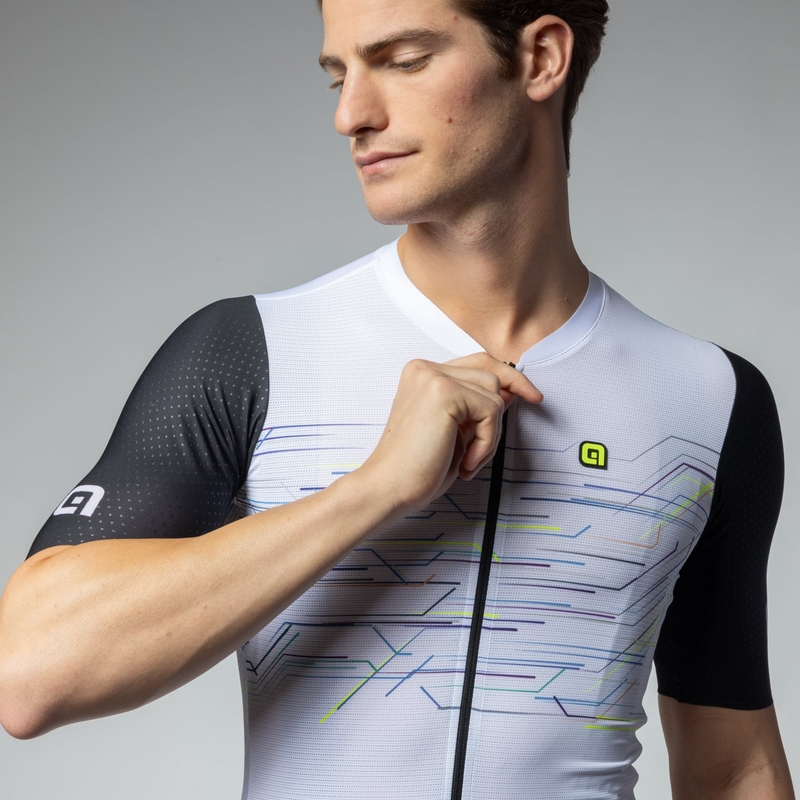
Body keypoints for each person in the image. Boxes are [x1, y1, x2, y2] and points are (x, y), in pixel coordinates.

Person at [0, 0, 794, 797]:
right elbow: (30, 673)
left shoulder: (710, 400)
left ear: (541, 59)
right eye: (338, 75)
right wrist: (372, 491)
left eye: (404, 61)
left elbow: (733, 765)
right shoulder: (251, 353)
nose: (351, 114)